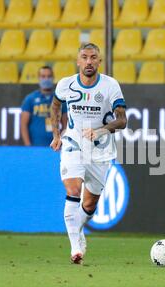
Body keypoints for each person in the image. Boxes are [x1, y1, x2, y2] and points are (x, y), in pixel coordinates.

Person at [49, 43, 127, 264]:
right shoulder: (66, 84)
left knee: (90, 204)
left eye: (93, 57)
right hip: (73, 142)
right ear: (78, 61)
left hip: (100, 150)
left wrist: (101, 131)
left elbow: (122, 120)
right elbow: (55, 106)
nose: (89, 61)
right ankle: (75, 249)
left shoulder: (110, 86)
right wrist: (56, 134)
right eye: (84, 57)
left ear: (99, 61)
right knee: (73, 188)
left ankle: (79, 230)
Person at [20, 66, 67, 146]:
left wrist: (62, 142)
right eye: (43, 76)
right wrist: (28, 146)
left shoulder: (60, 99)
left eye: (49, 76)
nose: (46, 79)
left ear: (53, 78)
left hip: (56, 146)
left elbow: (65, 125)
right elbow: (23, 125)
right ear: (39, 78)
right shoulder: (30, 99)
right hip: (36, 146)